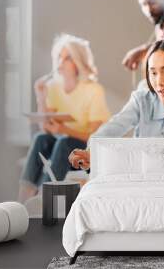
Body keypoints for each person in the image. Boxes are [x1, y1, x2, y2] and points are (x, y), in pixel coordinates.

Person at [69, 37, 164, 170]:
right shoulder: (142, 101)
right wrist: (89, 152)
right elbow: (111, 129)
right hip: (147, 184)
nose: (160, 82)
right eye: (153, 73)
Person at [18, 34, 111, 202]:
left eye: (68, 58)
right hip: (61, 146)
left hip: (83, 147)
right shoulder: (53, 88)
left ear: (78, 62)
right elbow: (45, 129)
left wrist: (62, 130)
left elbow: (94, 136)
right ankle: (23, 198)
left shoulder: (94, 90)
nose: (61, 62)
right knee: (41, 138)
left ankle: (43, 200)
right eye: (59, 57)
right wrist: (40, 96)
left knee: (64, 141)